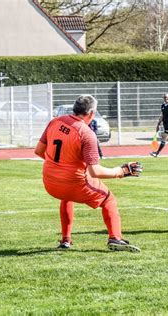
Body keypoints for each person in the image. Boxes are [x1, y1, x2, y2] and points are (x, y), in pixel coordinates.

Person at [34, 95, 143, 252]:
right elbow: (95, 171)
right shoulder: (86, 133)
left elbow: (39, 151)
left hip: (50, 183)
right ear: (91, 113)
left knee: (66, 198)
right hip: (73, 183)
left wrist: (60, 166)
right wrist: (121, 171)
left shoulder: (55, 121)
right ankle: (115, 238)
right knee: (109, 200)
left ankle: (65, 240)